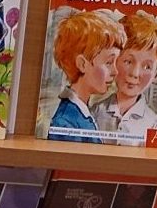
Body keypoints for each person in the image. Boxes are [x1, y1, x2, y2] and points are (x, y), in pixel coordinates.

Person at [93, 11, 157, 145]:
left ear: (155, 75)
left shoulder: (155, 124)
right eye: (128, 62)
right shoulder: (95, 112)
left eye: (147, 67)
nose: (135, 73)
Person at [47, 10, 126, 142]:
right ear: (82, 64)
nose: (115, 71)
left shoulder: (83, 112)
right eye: (108, 62)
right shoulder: (66, 123)